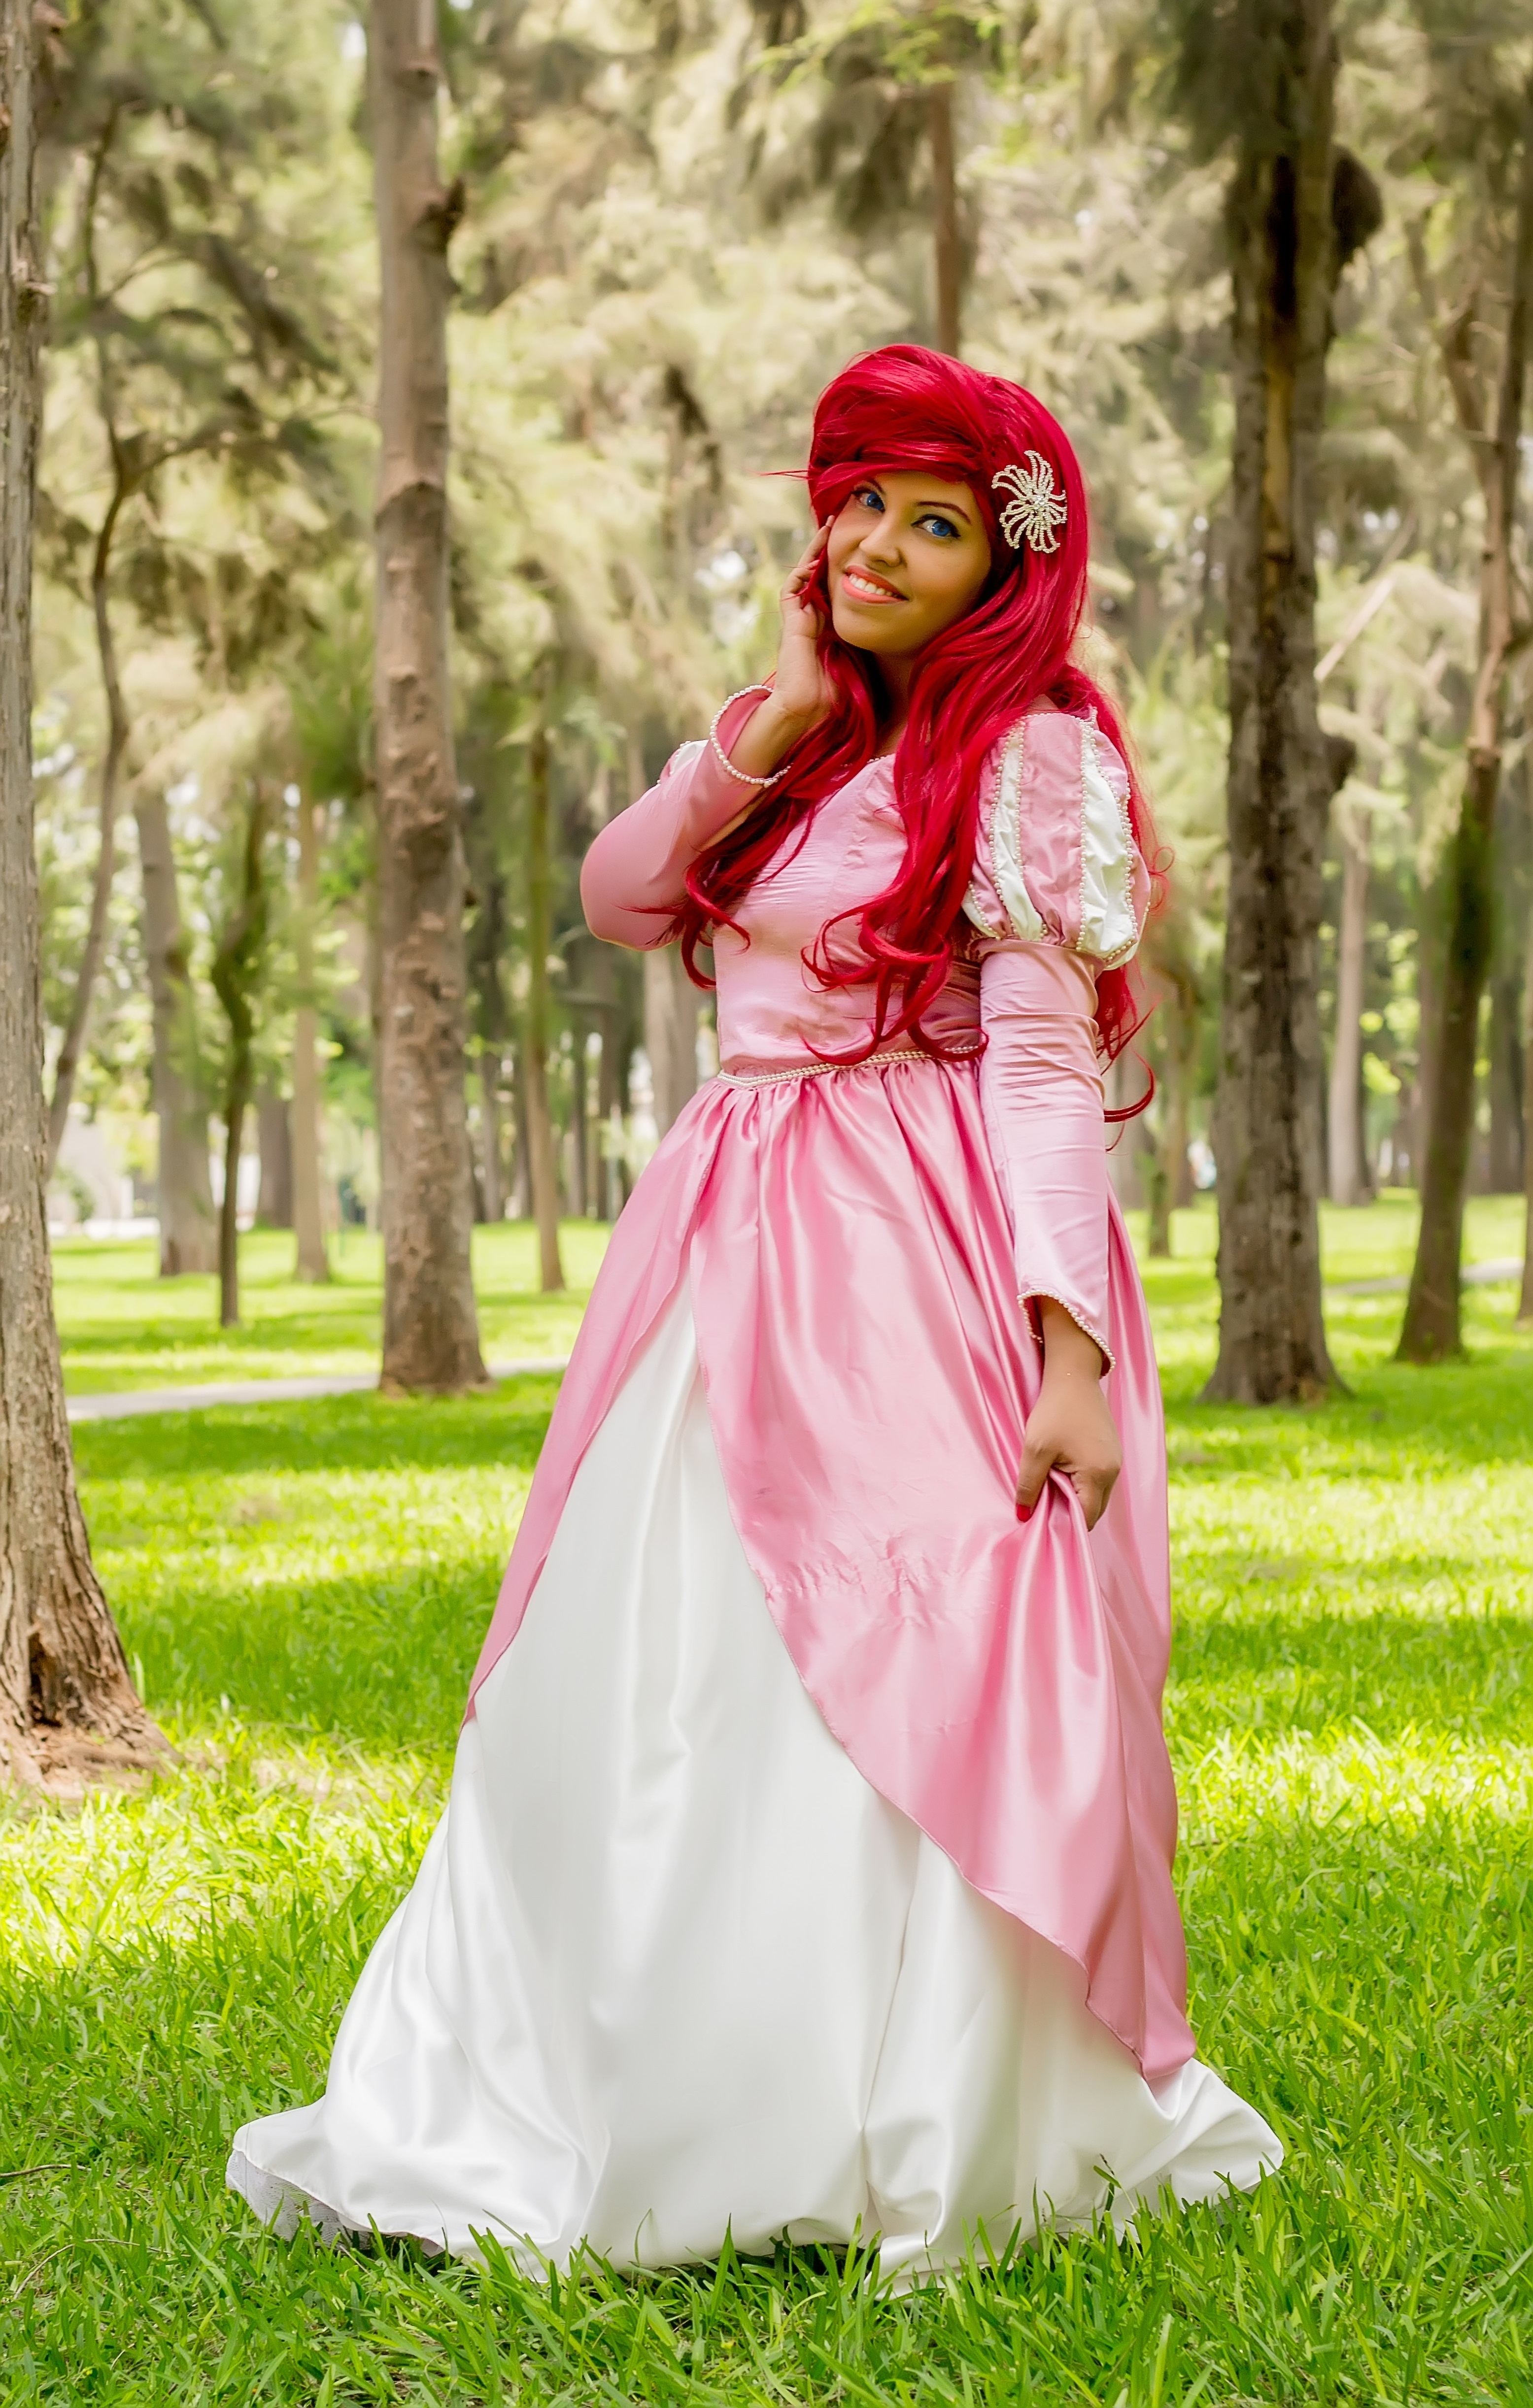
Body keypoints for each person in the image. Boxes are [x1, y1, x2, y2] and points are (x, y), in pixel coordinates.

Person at [228, 344, 1280, 2282]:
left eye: (934, 522)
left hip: (909, 1245)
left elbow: (1042, 1068)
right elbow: (624, 896)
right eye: (862, 498)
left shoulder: (1030, 756)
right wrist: (771, 716)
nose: (876, 542)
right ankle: (635, 2071)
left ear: (1005, 569)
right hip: (725, 1235)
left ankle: (894, 2100)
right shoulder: (796, 736)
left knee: (912, 1634)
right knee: (660, 1647)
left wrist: (1068, 1355)